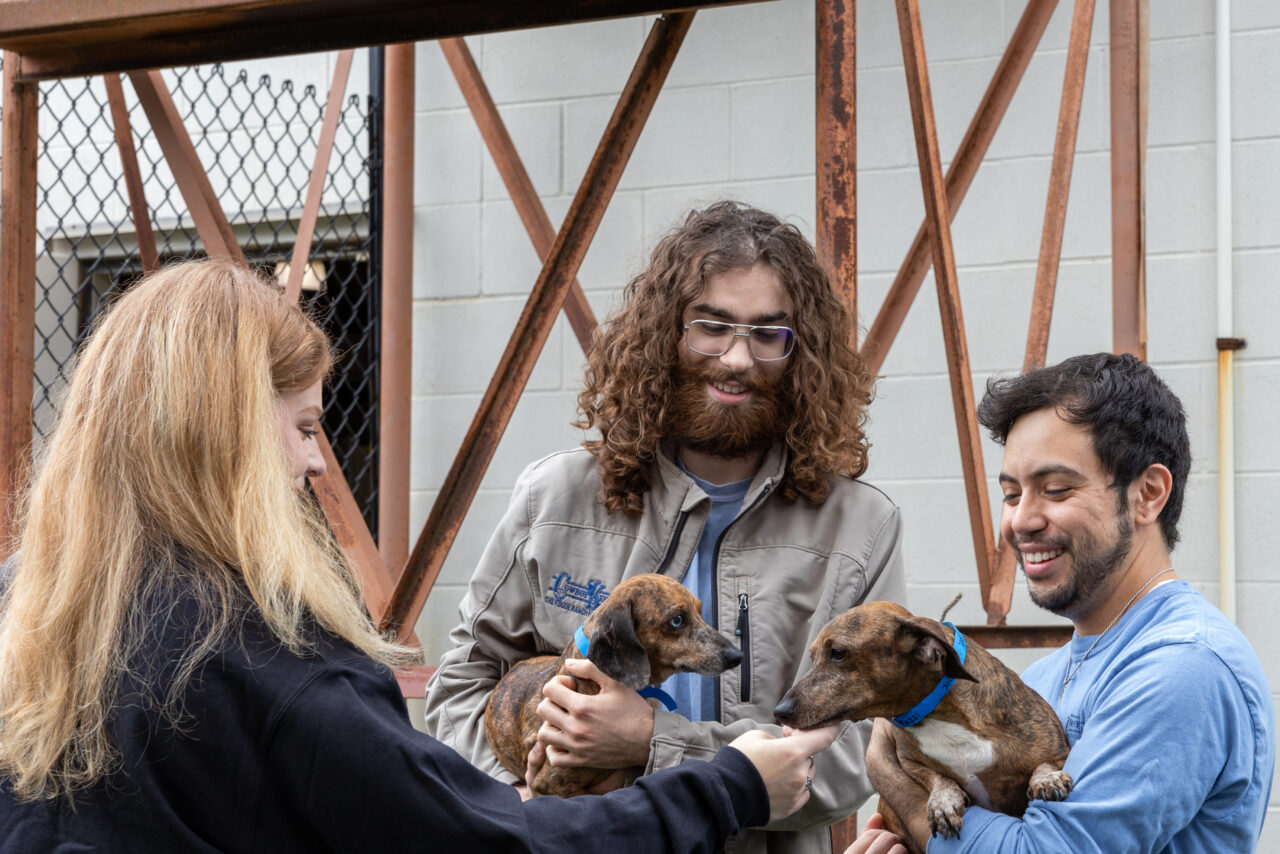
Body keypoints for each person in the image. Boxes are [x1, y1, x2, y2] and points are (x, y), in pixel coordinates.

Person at [0, 258, 842, 852]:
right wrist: (718, 780)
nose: (317, 462)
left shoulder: (25, 605)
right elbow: (468, 829)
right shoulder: (267, 655)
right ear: (217, 434)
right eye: (300, 428)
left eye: (767, 334)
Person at [425, 201, 906, 853]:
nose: (737, 358)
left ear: (803, 354)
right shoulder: (556, 497)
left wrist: (653, 741)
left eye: (770, 333)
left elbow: (855, 757)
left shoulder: (860, 527)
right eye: (712, 326)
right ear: (667, 334)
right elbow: (463, 682)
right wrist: (516, 802)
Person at [866, 352, 1274, 853]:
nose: (1021, 520)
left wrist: (890, 777)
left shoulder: (1183, 668)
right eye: (1012, 495)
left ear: (1147, 493)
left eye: (1056, 490)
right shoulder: (1043, 678)